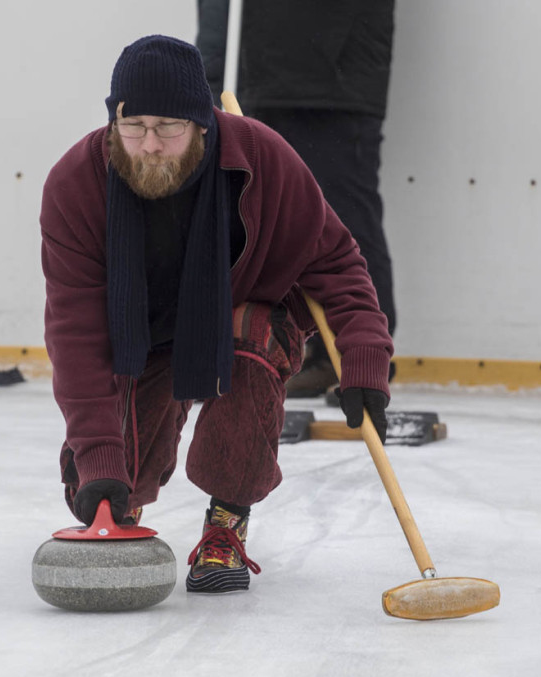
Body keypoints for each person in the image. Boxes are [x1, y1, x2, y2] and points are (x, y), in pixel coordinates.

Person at [40, 35, 393, 594]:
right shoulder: (76, 185)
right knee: (105, 482)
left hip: (234, 318)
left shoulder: (263, 160)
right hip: (139, 333)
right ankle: (117, 496)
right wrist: (99, 454)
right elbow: (75, 333)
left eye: (169, 128)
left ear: (203, 125)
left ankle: (226, 526)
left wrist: (365, 357)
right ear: (113, 122)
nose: (150, 145)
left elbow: (337, 263)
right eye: (133, 126)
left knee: (254, 337)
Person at [196, 0, 397, 396]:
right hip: (263, 75)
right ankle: (260, 352)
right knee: (257, 222)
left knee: (343, 222)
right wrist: (210, 77)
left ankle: (358, 358)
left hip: (334, 80)